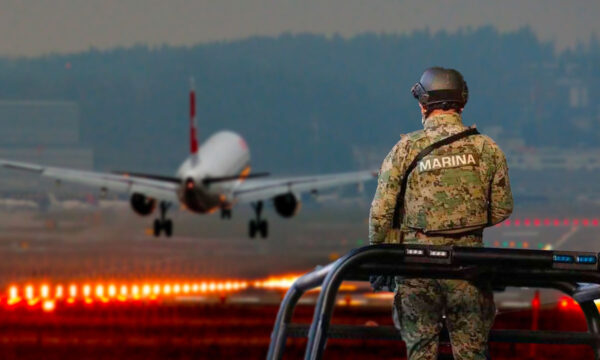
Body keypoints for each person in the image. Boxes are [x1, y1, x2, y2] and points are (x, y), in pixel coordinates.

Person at [368, 67, 513, 360]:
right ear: (462, 102)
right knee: (471, 354)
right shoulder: (487, 149)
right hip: (469, 268)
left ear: (423, 105)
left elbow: (381, 215)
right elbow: (501, 209)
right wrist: (462, 225)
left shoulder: (406, 149)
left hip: (417, 270)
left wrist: (379, 257)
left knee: (421, 351)